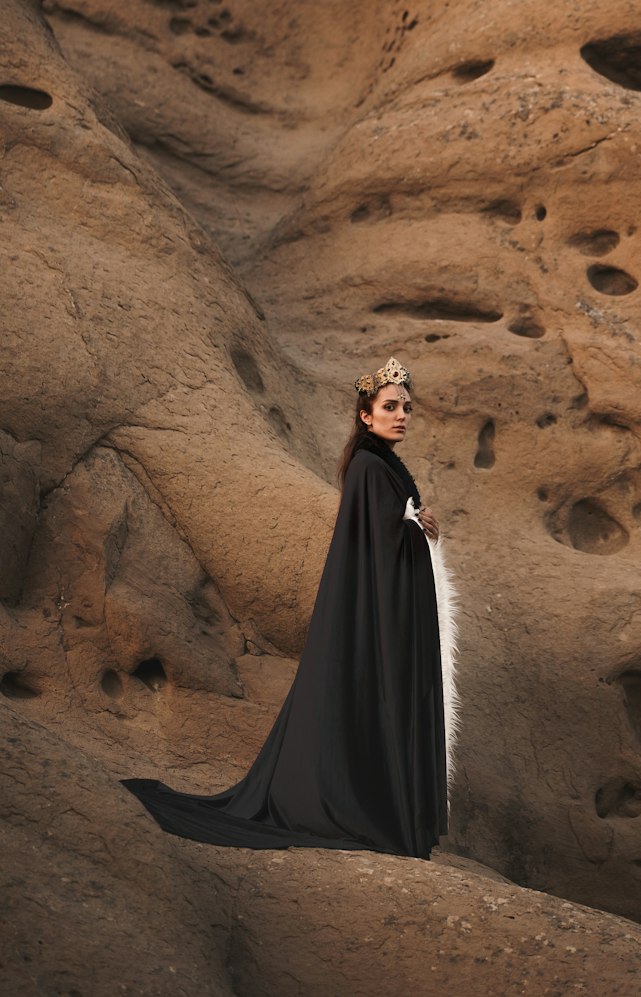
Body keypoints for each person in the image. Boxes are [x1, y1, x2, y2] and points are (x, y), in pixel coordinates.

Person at [122, 356, 457, 860]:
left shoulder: (386, 466)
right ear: (365, 415)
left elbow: (390, 531)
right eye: (390, 407)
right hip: (375, 621)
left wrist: (417, 522)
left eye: (406, 407)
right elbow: (380, 541)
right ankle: (366, 809)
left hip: (385, 613)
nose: (401, 415)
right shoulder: (370, 466)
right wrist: (414, 528)